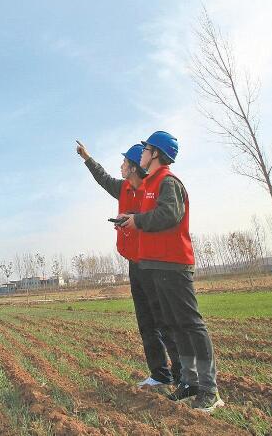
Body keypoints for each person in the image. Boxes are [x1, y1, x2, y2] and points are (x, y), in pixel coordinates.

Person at [118, 131, 224, 413]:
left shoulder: (168, 182)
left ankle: (209, 389)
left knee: (190, 324)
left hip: (174, 264)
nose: (141, 153)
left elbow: (170, 215)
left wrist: (136, 221)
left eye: (146, 149)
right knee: (175, 326)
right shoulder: (150, 183)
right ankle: (189, 382)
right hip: (155, 265)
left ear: (156, 154)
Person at [76, 140, 181, 388]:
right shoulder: (122, 188)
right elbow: (103, 178)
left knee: (163, 320)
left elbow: (161, 220)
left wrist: (134, 220)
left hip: (153, 262)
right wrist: (87, 158)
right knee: (146, 321)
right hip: (135, 263)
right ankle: (159, 374)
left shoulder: (152, 189)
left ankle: (181, 375)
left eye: (124, 162)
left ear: (133, 167)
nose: (121, 166)